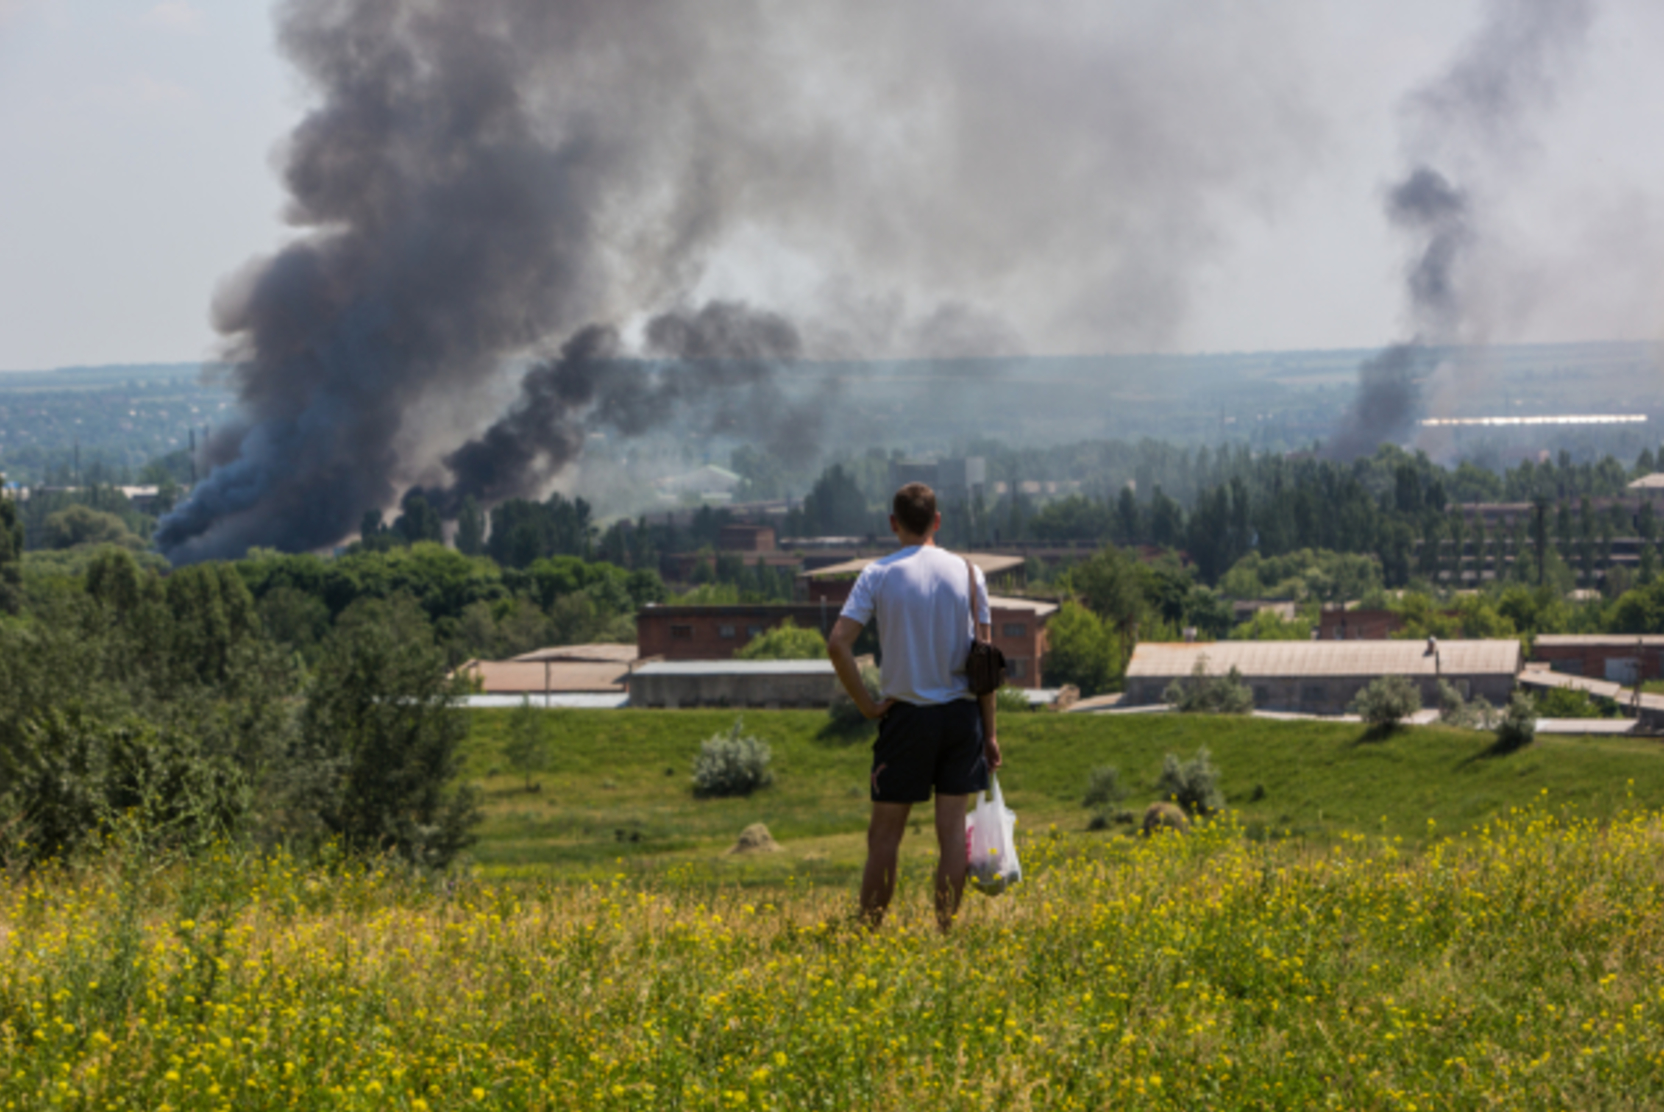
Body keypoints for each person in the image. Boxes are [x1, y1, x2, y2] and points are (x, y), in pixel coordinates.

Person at [826, 481, 1001, 931]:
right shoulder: (969, 573)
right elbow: (985, 663)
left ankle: (866, 934)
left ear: (893, 523)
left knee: (884, 837)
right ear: (937, 521)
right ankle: (945, 932)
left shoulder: (878, 574)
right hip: (962, 719)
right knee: (951, 838)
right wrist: (991, 733)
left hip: (906, 718)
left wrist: (867, 704)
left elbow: (838, 644)